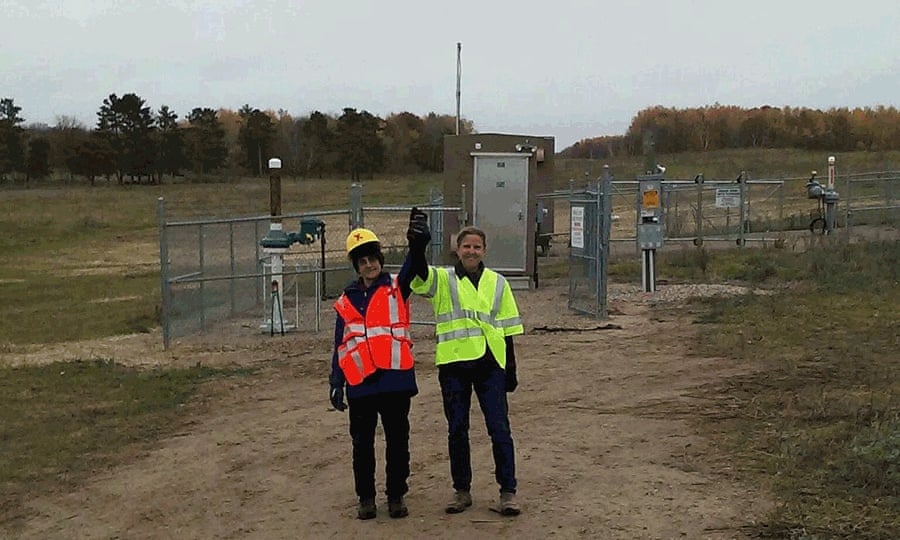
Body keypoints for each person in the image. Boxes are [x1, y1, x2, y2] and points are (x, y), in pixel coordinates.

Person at [406, 211, 525, 516]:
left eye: (477, 247)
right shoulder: (443, 279)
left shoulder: (498, 283)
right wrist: (417, 246)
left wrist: (510, 368)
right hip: (454, 365)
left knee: (499, 429)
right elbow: (418, 275)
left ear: (483, 251)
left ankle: (508, 492)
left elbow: (508, 328)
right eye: (466, 246)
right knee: (457, 429)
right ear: (457, 250)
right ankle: (462, 491)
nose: (471, 251)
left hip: (490, 364)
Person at [329, 227, 418, 520]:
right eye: (363, 261)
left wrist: (417, 243)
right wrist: (336, 383)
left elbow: (413, 265)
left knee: (397, 441)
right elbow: (340, 345)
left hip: (394, 379)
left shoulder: (397, 286)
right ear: (356, 266)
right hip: (361, 383)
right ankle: (366, 498)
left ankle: (396, 496)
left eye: (373, 259)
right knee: (362, 445)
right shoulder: (346, 300)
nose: (370, 265)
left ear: (380, 259)